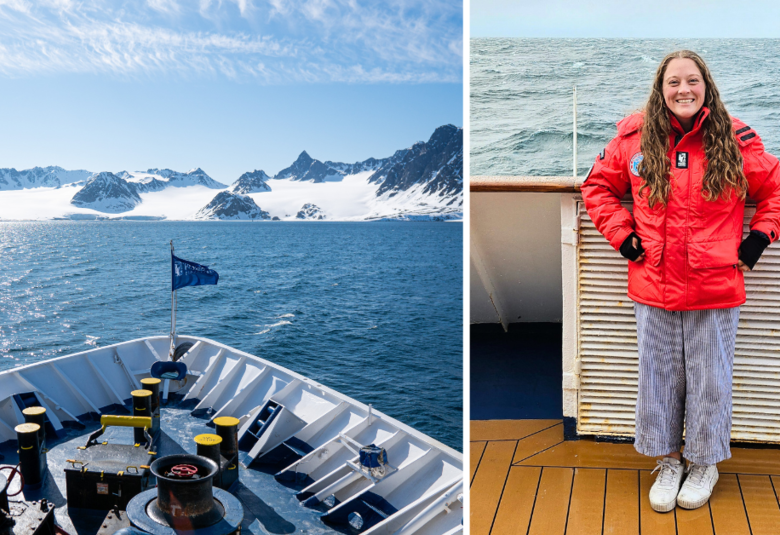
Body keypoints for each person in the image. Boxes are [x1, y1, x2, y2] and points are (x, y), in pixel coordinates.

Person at [581, 50, 780, 513]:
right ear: (661, 89)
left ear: (706, 86)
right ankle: (669, 460)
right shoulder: (633, 140)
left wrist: (758, 240)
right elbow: (598, 188)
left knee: (711, 381)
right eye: (674, 82)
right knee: (659, 378)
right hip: (654, 284)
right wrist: (623, 237)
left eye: (692, 80)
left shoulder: (735, 139)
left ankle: (705, 462)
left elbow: (774, 189)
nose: (683, 90)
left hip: (716, 286)